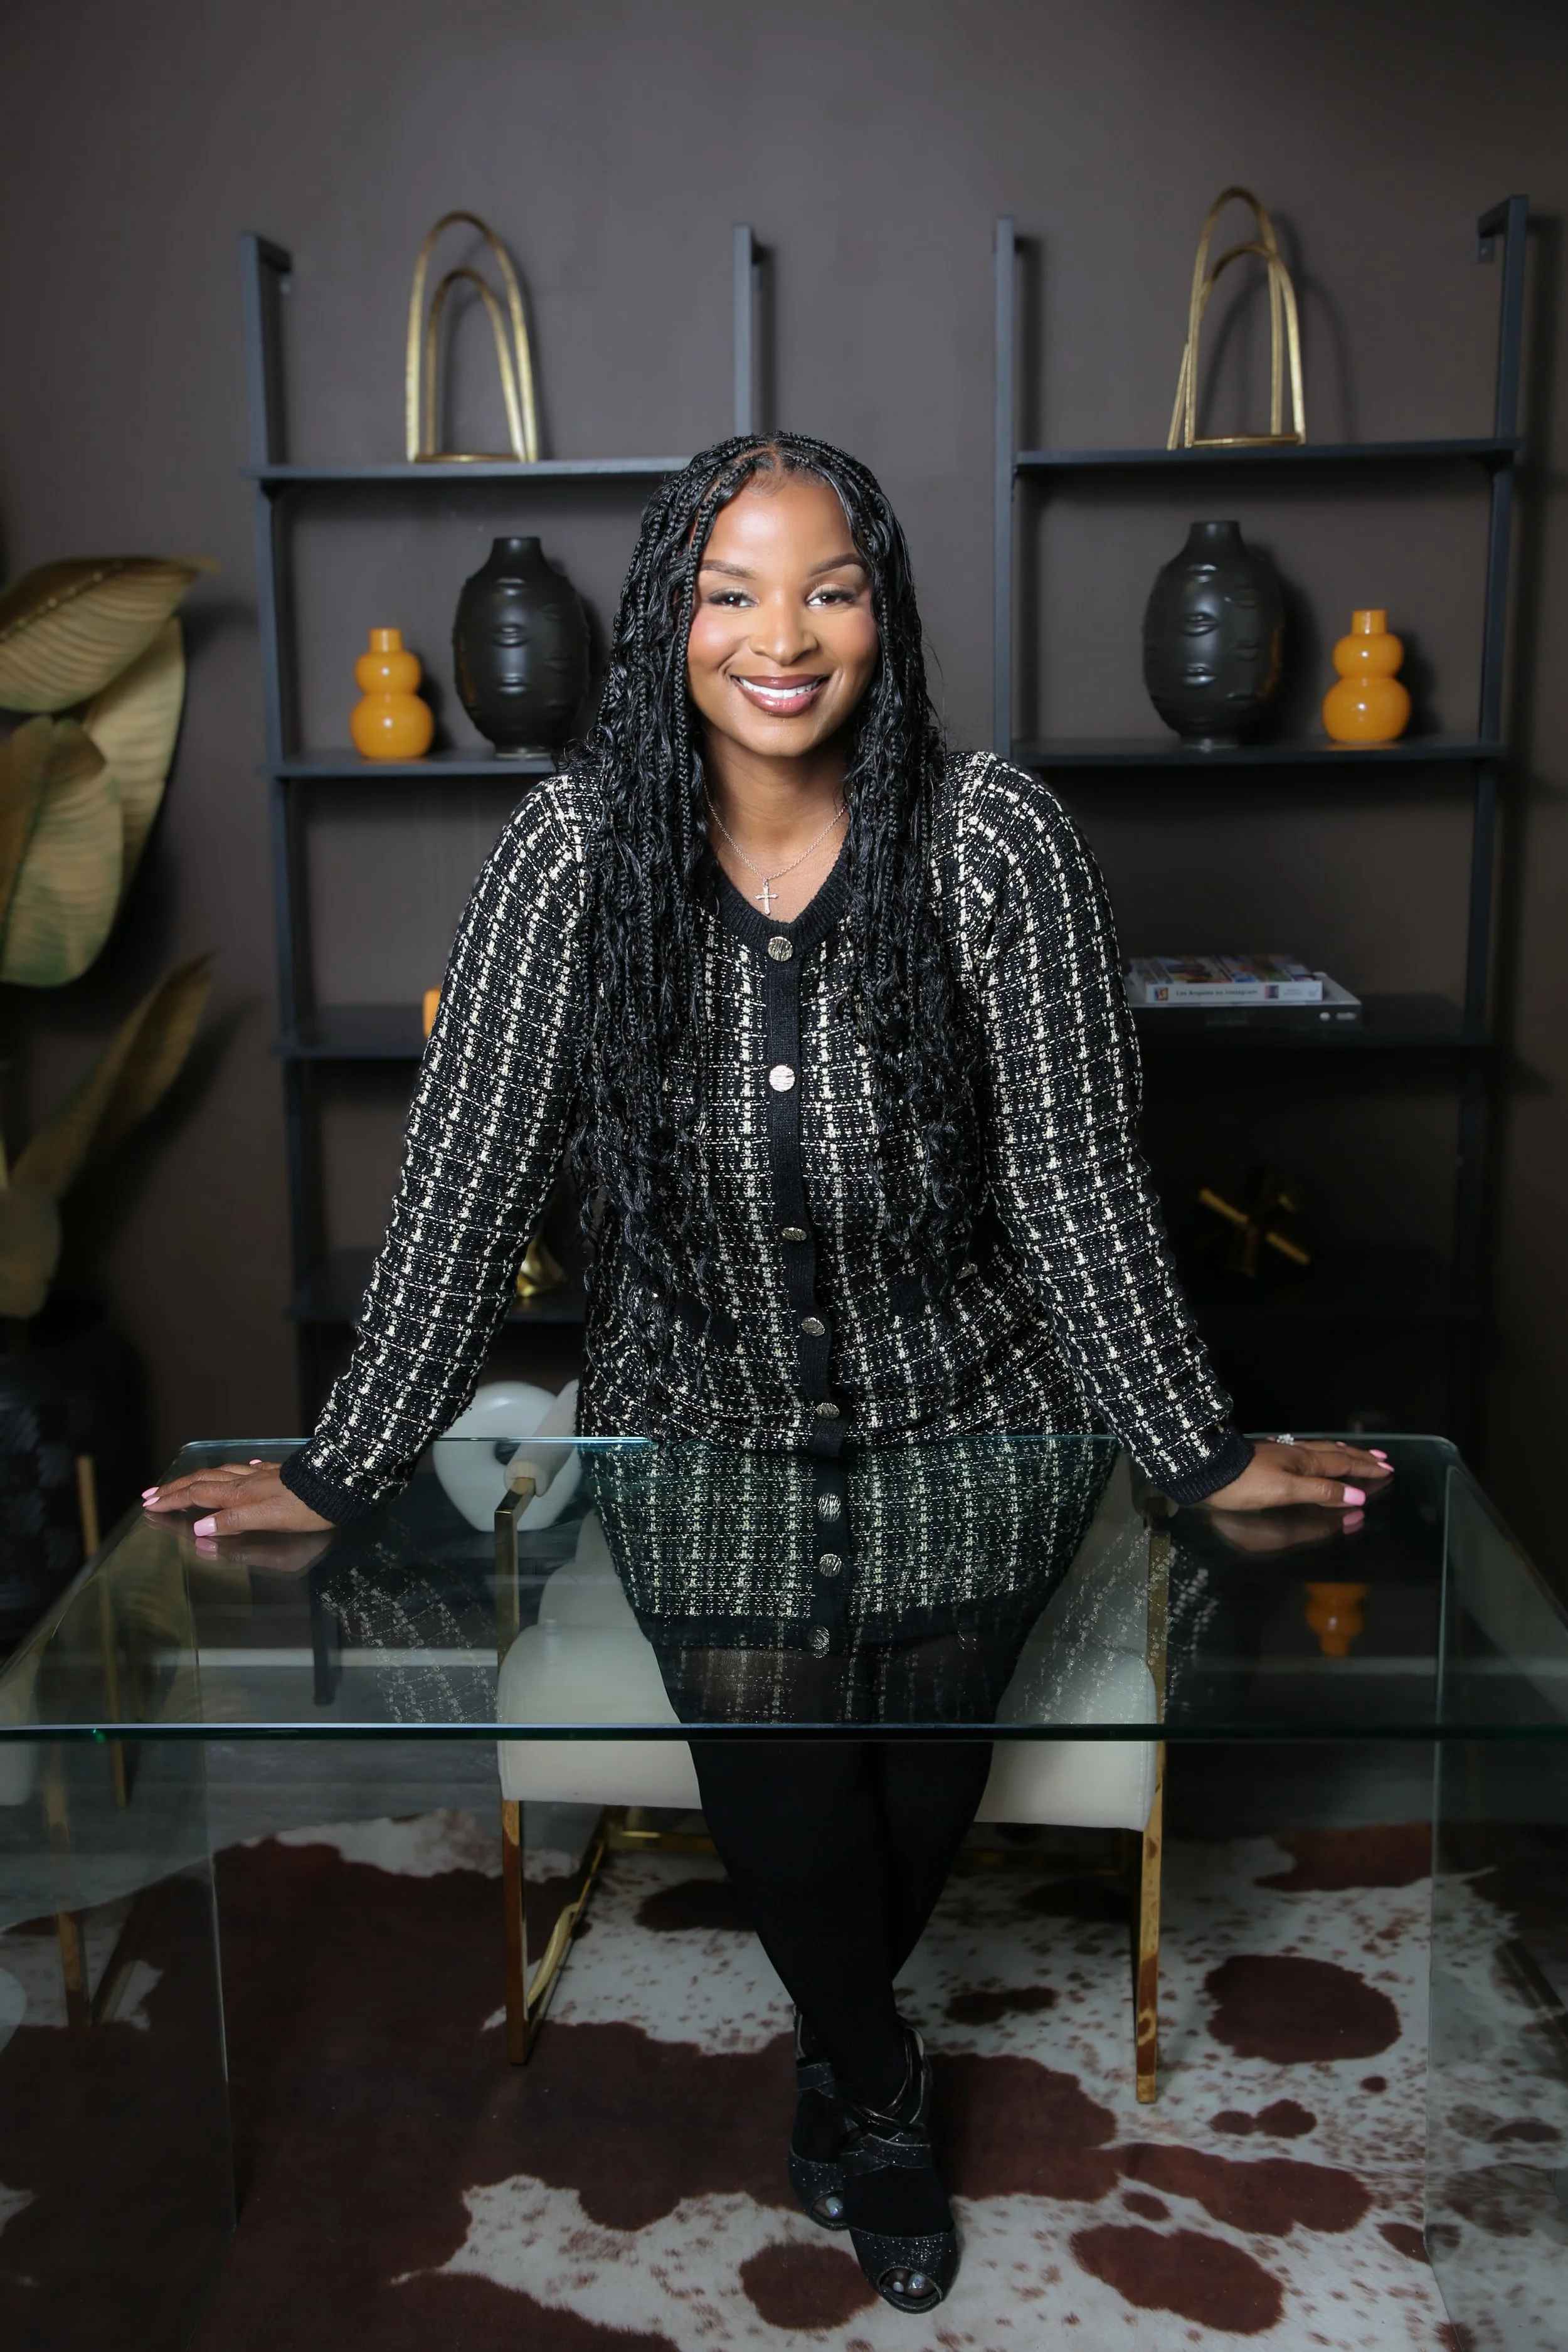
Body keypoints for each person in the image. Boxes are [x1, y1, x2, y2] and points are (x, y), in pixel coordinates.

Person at [148, 433, 1390, 2312]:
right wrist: (341, 1460)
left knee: (907, 1793)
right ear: (667, 620)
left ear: (880, 614)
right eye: (731, 591)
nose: (779, 636)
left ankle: (836, 2049)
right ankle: (875, 2082)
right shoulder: (568, 856)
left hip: (982, 1412)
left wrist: (1192, 1447)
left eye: (827, 586)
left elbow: (1075, 1185)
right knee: (786, 1784)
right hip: (694, 1414)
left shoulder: (994, 843)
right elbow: (464, 1181)